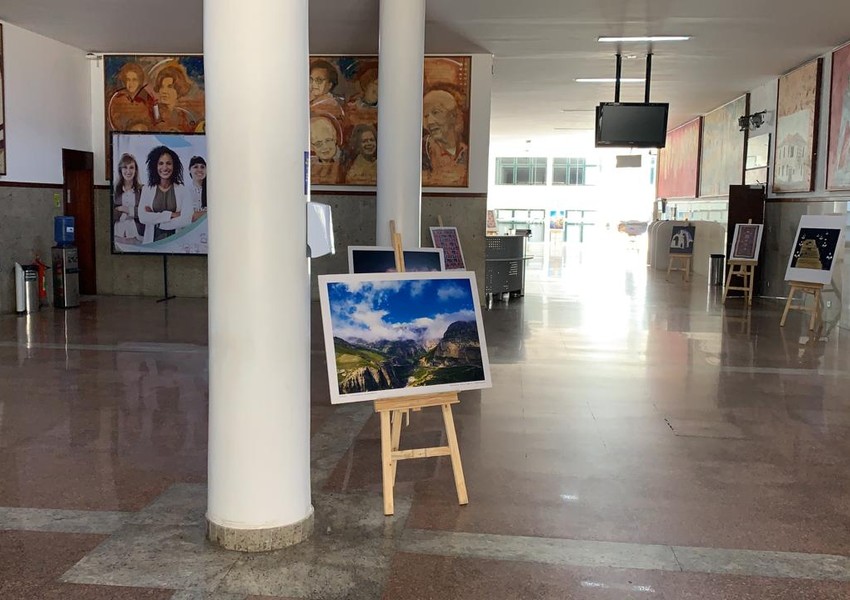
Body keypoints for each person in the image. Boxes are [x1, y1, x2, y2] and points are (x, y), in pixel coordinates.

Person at [138, 146, 193, 243]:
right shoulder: (147, 190)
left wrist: (157, 222)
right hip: (151, 245)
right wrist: (171, 214)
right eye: (161, 163)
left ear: (174, 166)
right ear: (155, 166)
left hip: (176, 245)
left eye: (168, 163)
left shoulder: (183, 191)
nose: (165, 167)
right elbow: (143, 217)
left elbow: (186, 219)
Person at [422, 88, 468, 186]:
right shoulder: (421, 149)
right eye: (426, 116)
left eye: (436, 112)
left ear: (453, 116)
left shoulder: (467, 152)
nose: (429, 122)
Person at [107, 62, 156, 131]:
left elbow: (155, 120)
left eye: (134, 80)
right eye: (128, 79)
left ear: (140, 81)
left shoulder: (147, 97)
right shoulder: (117, 98)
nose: (131, 84)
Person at [152, 64, 196, 132]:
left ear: (178, 90)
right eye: (162, 87)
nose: (164, 91)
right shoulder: (155, 110)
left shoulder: (184, 114)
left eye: (169, 87)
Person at [112, 153, 144, 242]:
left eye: (131, 167)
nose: (128, 171)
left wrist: (124, 209)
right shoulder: (114, 190)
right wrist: (133, 212)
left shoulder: (142, 190)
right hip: (117, 234)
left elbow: (144, 213)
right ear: (120, 170)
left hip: (137, 236)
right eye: (125, 167)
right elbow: (111, 214)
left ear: (136, 170)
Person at [310, 115, 344, 184]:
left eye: (328, 140)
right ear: (312, 147)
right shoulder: (310, 167)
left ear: (335, 139)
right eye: (318, 144)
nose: (325, 147)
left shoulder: (345, 164)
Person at [188, 155, 207, 222]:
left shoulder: (211, 191)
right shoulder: (185, 192)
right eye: (195, 167)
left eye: (202, 167)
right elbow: (188, 217)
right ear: (189, 170)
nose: (199, 170)